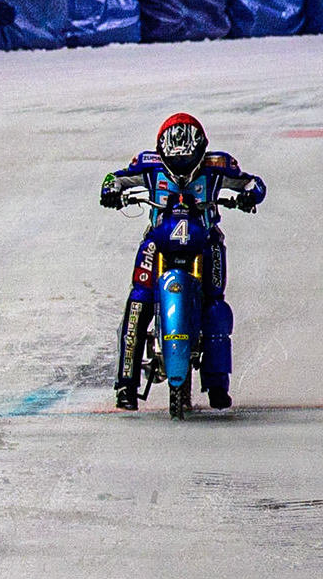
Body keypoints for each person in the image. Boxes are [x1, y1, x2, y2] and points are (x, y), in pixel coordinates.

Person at [98, 114, 266, 411]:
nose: (181, 177)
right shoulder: (148, 164)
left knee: (214, 302)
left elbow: (251, 182)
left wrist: (250, 194)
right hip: (158, 241)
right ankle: (126, 383)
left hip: (206, 240)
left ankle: (217, 382)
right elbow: (116, 177)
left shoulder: (218, 165)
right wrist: (111, 191)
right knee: (139, 300)